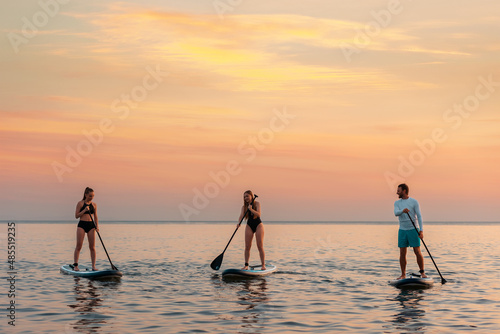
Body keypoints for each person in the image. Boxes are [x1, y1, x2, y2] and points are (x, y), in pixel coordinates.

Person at [394, 183, 427, 279]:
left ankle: (422, 273)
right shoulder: (397, 203)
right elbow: (396, 213)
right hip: (402, 230)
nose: (397, 192)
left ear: (404, 191)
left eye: (398, 190)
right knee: (402, 253)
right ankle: (403, 274)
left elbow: (419, 216)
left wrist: (421, 231)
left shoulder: (414, 202)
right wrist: (402, 211)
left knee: (417, 251)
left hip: (413, 229)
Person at [72, 187, 99, 271]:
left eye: (93, 196)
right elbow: (76, 216)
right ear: (85, 194)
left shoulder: (94, 205)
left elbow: (96, 216)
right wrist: (84, 210)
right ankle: (76, 265)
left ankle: (93, 266)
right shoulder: (80, 203)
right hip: (82, 225)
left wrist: (97, 226)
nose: (92, 197)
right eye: (90, 196)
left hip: (91, 225)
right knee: (79, 246)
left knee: (92, 247)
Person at [239, 190, 266, 270]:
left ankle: (263, 265)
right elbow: (241, 216)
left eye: (247, 196)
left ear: (251, 196)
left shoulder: (257, 204)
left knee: (259, 245)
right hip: (249, 225)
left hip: (258, 225)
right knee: (247, 246)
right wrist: (238, 223)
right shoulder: (244, 207)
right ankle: (246, 265)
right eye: (244, 197)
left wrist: (251, 209)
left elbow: (258, 214)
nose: (245, 198)